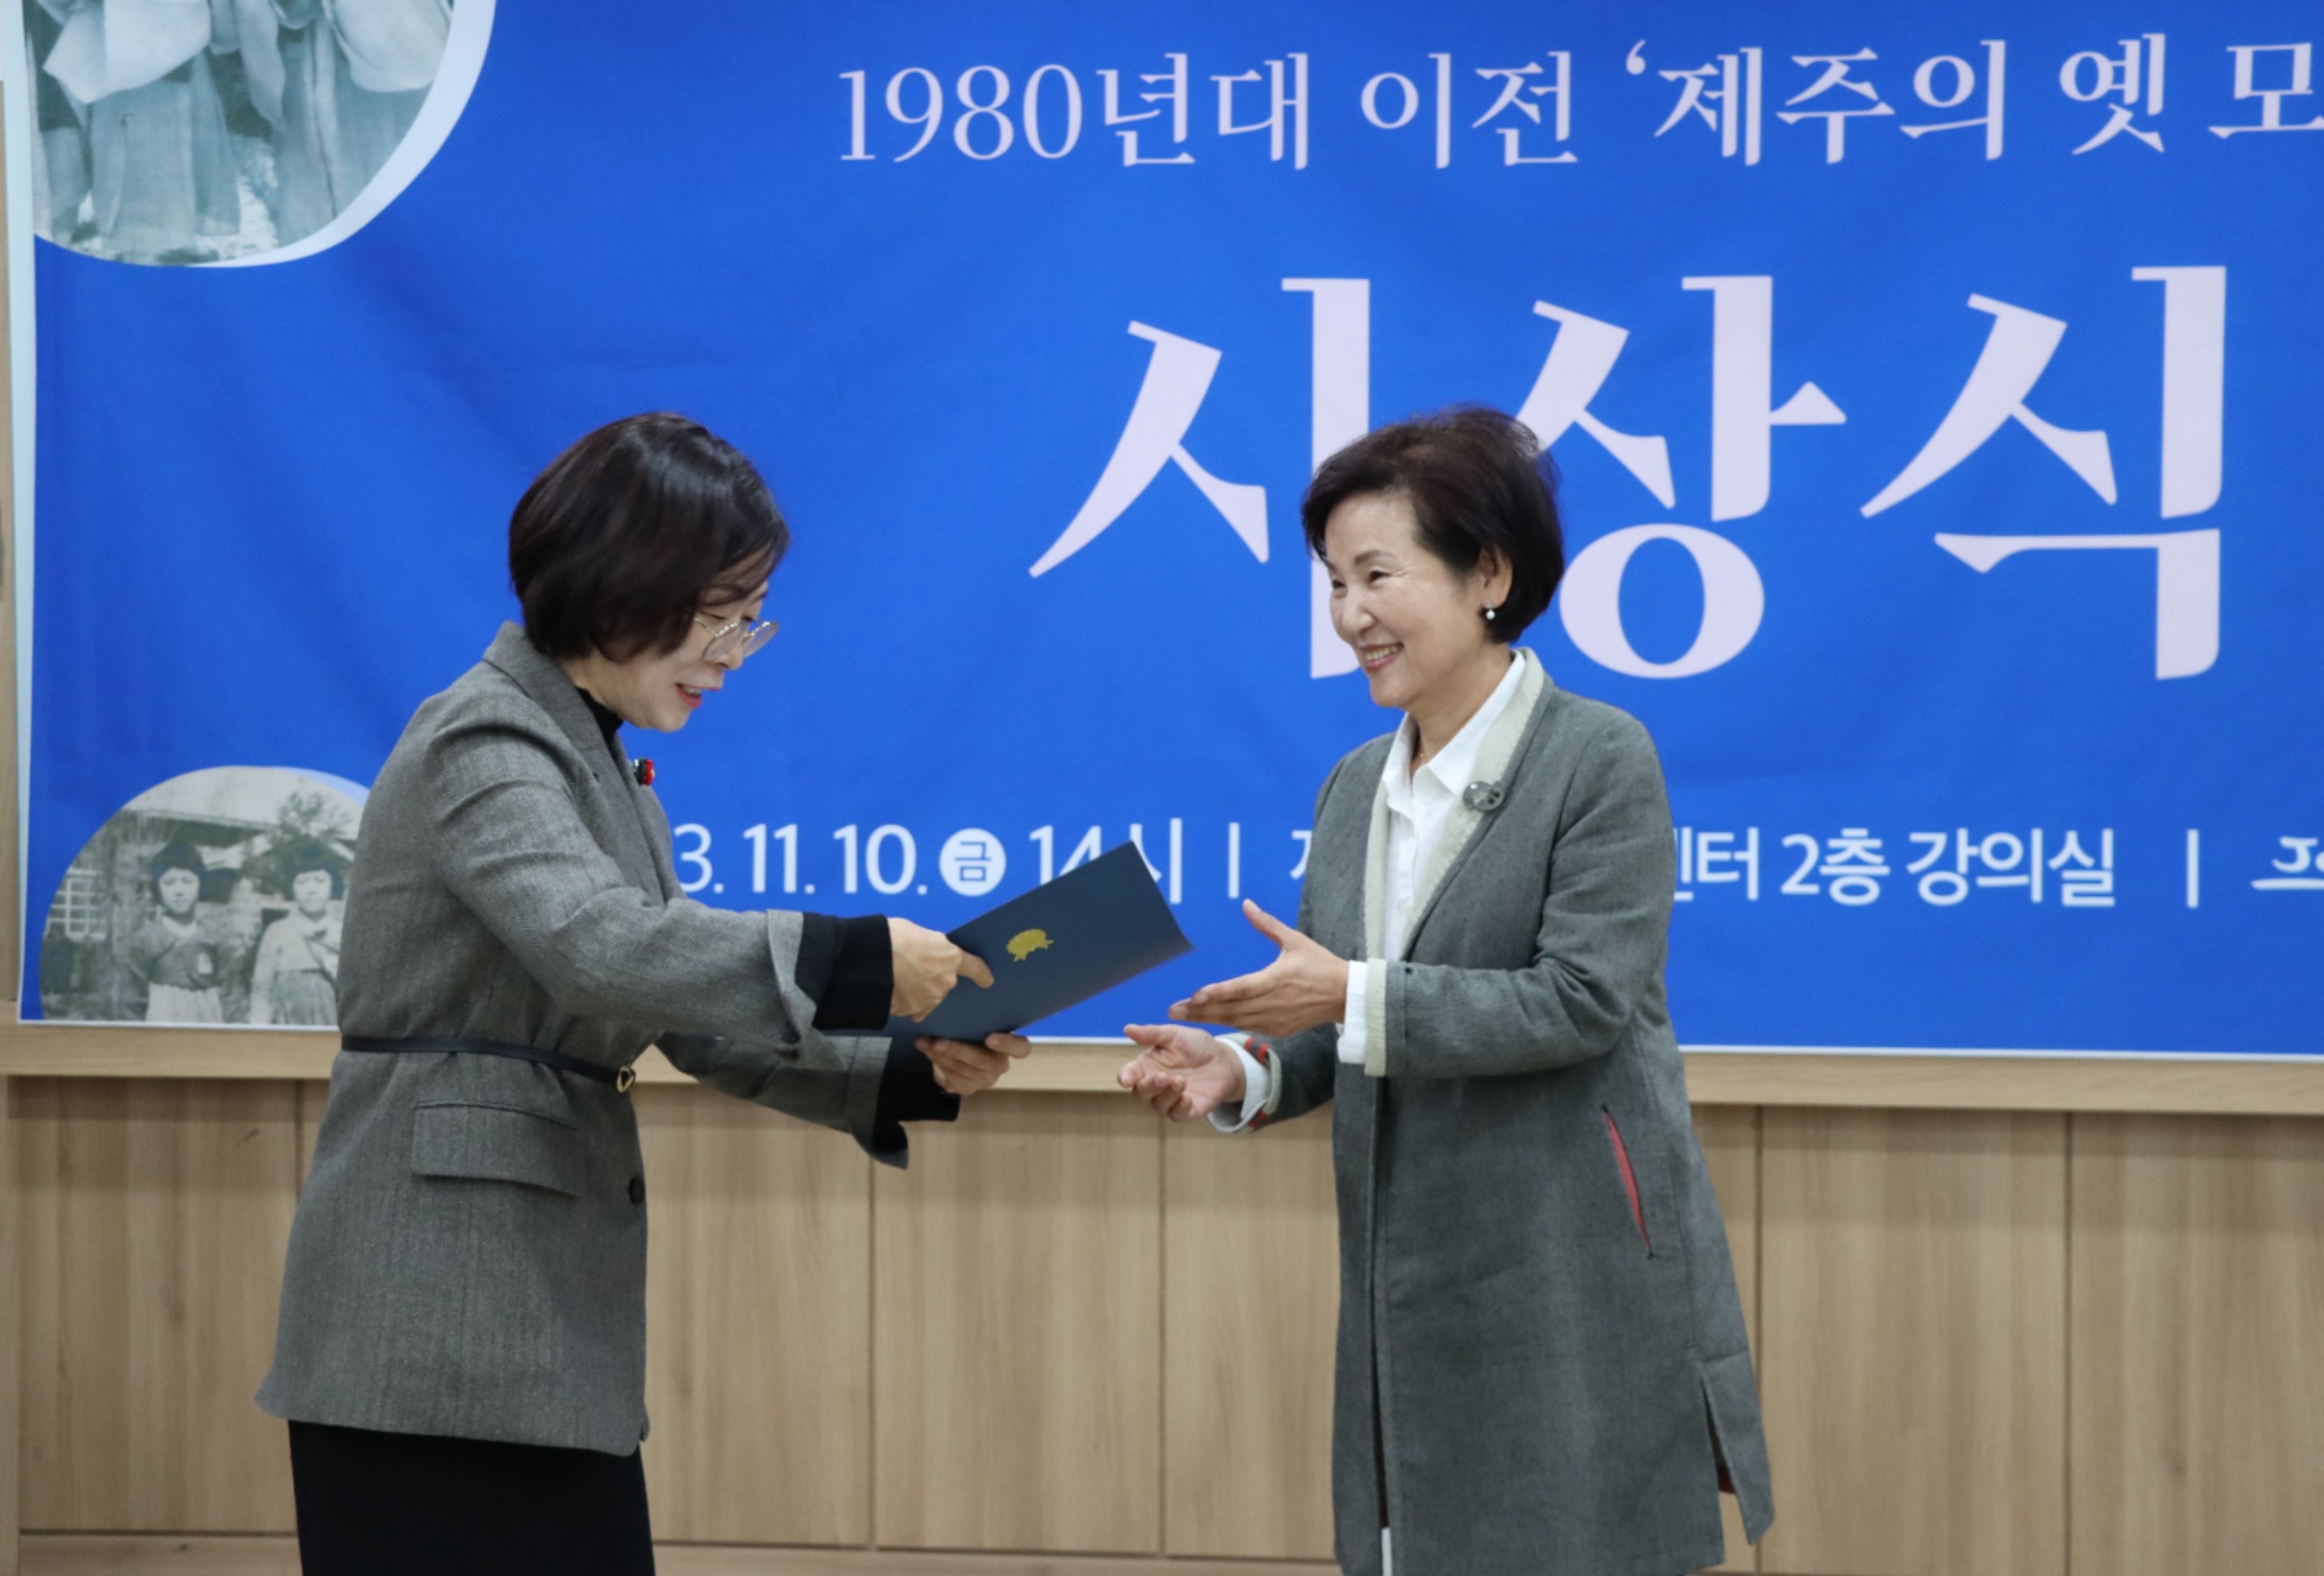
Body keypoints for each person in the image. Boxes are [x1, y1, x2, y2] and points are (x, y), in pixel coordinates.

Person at [258, 413, 1028, 1574]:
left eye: (750, 617)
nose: (735, 650)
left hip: (527, 1310)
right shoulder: (485, 734)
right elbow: (599, 945)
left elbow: (680, 1014)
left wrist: (908, 1069)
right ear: (619, 580)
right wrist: (857, 957)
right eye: (720, 613)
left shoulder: (602, 760)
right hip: (427, 1310)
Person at [1118, 408, 1774, 1576]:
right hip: (1401, 1285)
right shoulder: (1351, 786)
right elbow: (1345, 1017)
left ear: (1489, 576)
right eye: (1334, 582)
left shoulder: (1597, 756)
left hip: (1565, 1273)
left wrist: (1347, 996)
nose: (1349, 614)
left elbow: (1579, 1000)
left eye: (1378, 575)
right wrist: (1243, 1071)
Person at [121, 840, 226, 1022]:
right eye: (169, 883)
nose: (179, 891)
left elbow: (231, 995)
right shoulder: (145, 941)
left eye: (187, 882)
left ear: (200, 885)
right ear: (157, 888)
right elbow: (130, 1003)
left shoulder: (214, 938)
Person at [248, 841, 344, 1026]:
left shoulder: (344, 934)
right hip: (288, 1031)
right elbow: (261, 993)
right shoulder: (277, 932)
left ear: (333, 884)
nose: (311, 890)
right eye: (302, 882)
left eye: (320, 881)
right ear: (291, 886)